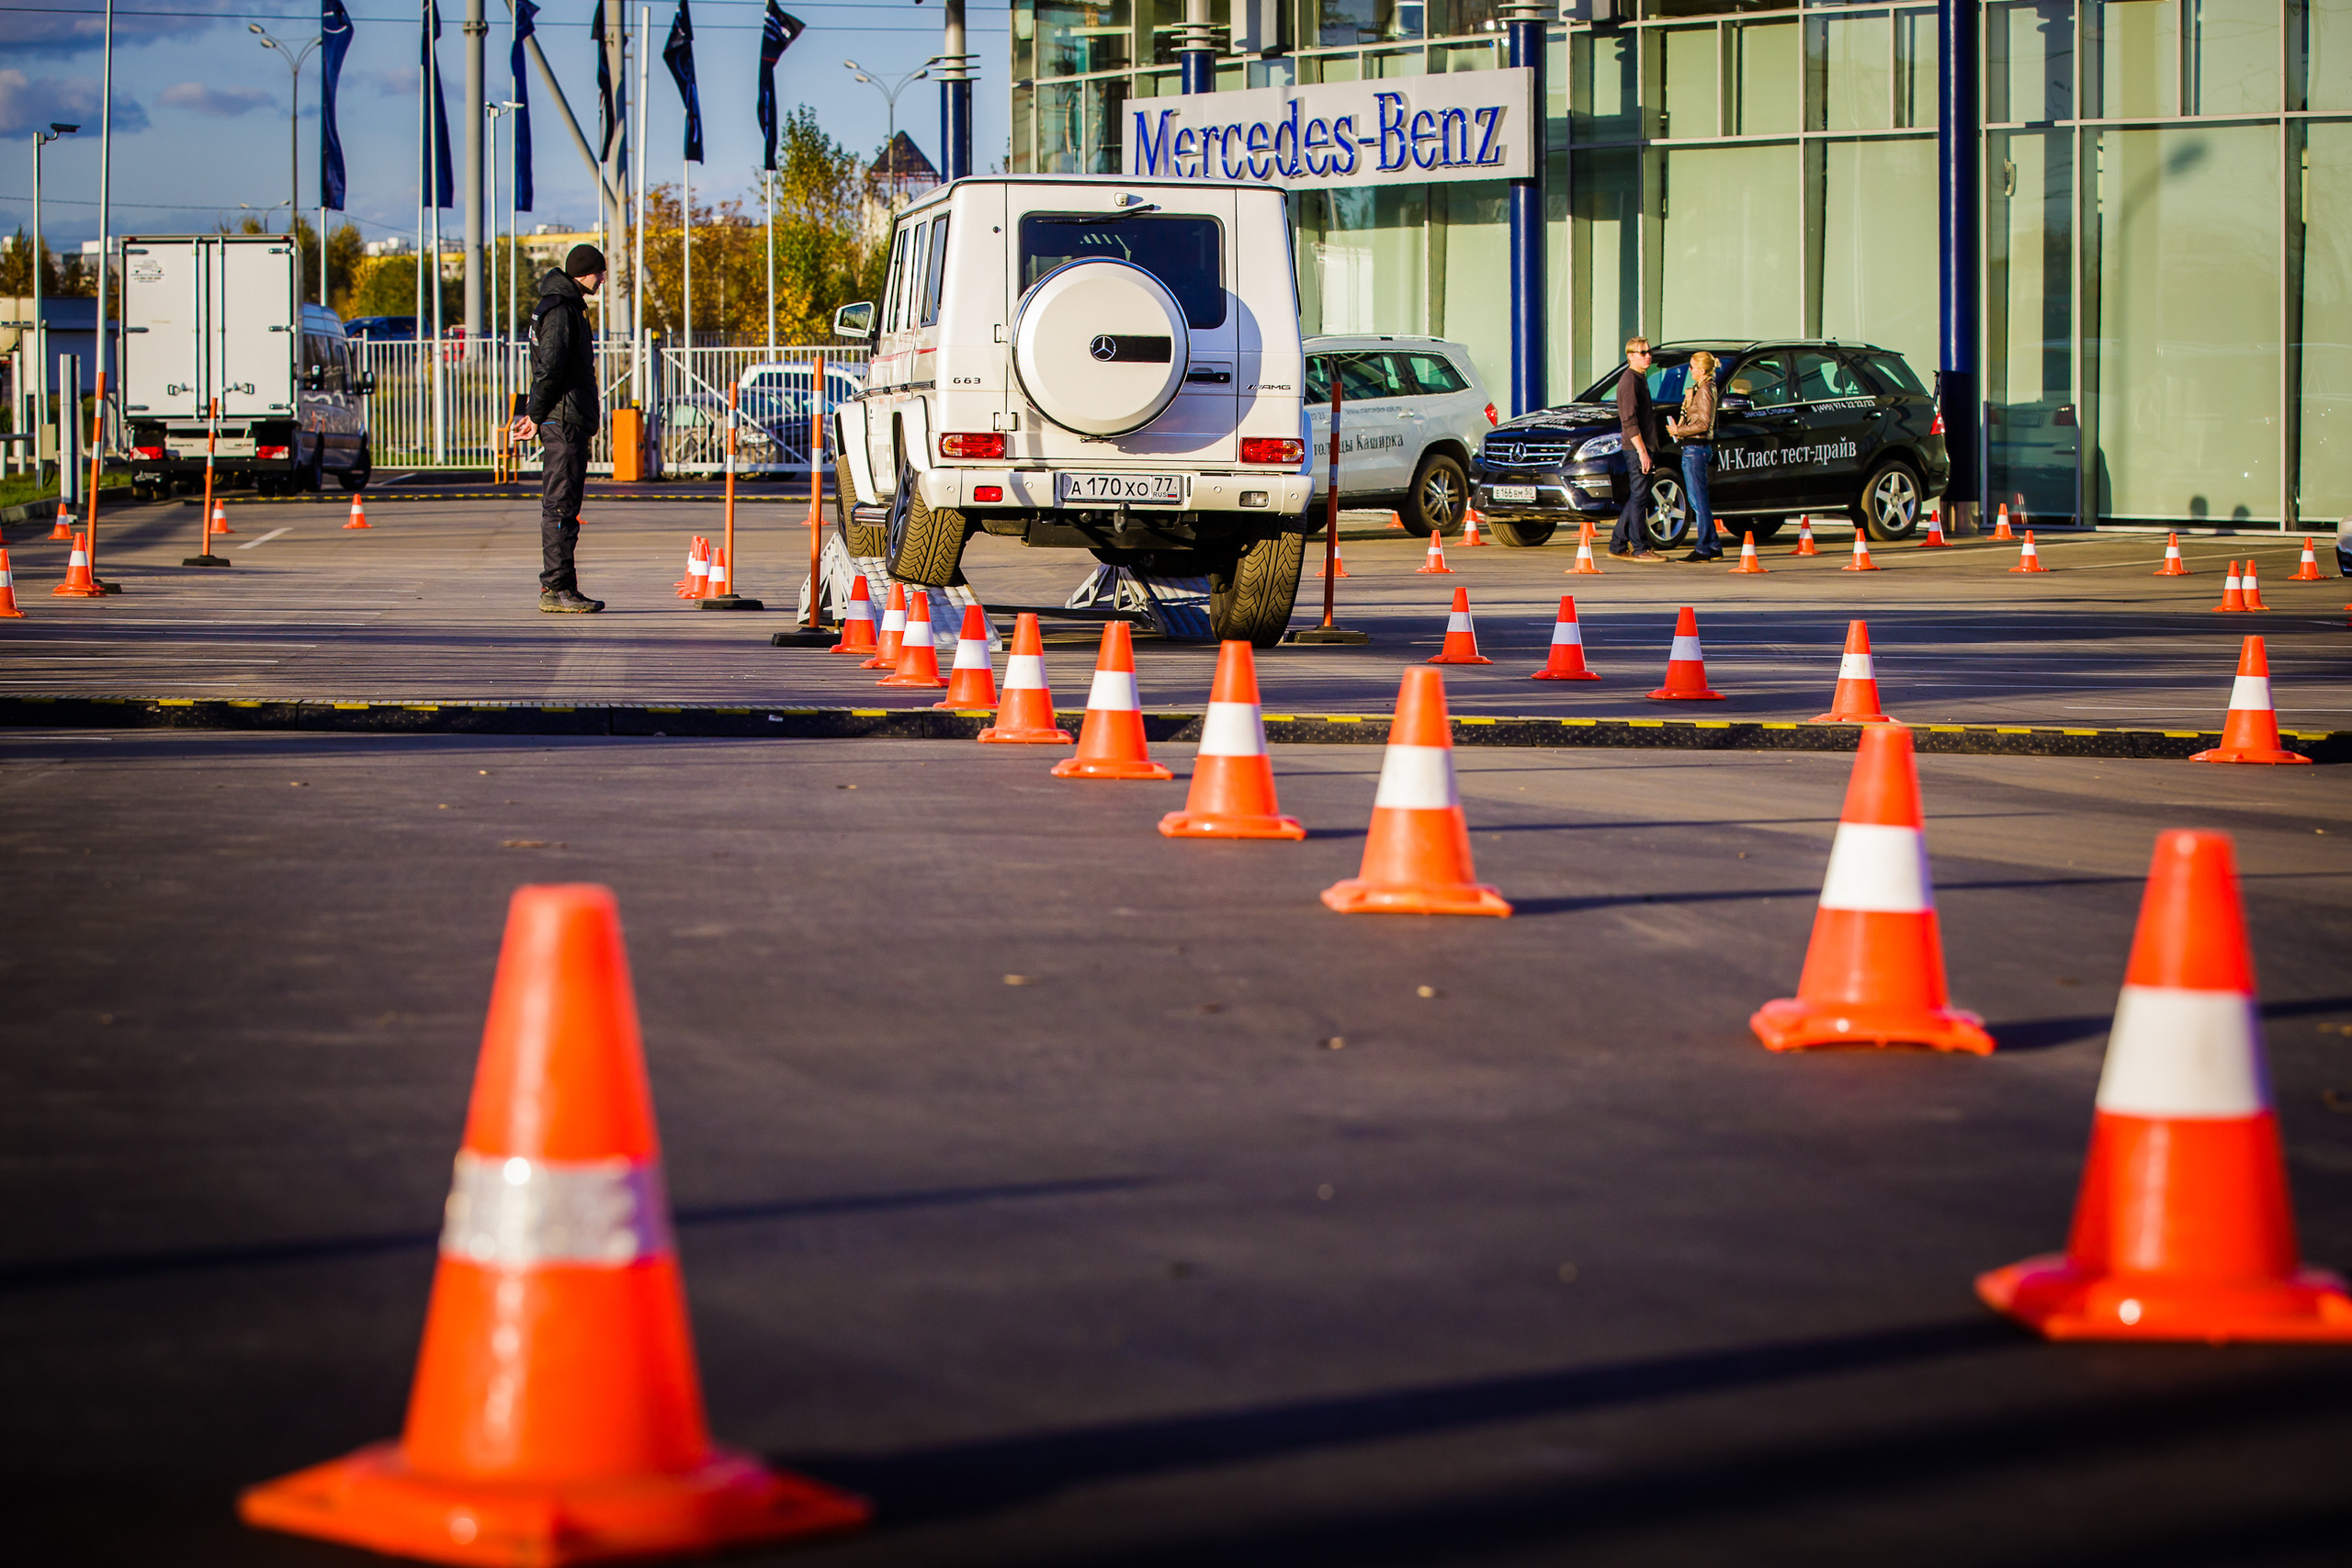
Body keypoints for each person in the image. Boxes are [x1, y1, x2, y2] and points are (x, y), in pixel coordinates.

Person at [511, 244, 607, 613]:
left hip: (566, 417)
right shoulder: (562, 311)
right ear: (583, 272)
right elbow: (549, 368)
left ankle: (562, 586)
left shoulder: (565, 306)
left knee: (564, 506)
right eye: (598, 272)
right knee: (561, 507)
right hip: (562, 420)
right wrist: (534, 416)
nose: (601, 279)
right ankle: (556, 589)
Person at [1609, 336, 1665, 562]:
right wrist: (1642, 451)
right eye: (1642, 352)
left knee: (1638, 496)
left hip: (1643, 446)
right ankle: (1640, 548)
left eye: (1649, 351)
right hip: (1636, 449)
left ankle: (1618, 544)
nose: (1648, 355)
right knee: (1639, 497)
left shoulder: (1640, 378)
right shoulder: (1630, 381)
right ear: (1630, 356)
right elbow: (1629, 420)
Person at [1669, 350, 1722, 561]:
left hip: (1696, 448)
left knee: (1698, 501)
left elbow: (1703, 422)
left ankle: (1703, 548)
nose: (1689, 370)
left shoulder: (1705, 390)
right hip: (1694, 447)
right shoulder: (1699, 389)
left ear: (1701, 370)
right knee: (1699, 499)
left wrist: (1678, 431)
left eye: (1691, 367)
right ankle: (1713, 545)